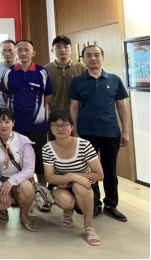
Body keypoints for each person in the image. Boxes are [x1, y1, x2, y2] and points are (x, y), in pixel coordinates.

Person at [69, 45, 130, 222]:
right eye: (89, 55)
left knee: (110, 170)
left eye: (96, 55)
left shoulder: (114, 79)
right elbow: (74, 107)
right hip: (86, 133)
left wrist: (125, 131)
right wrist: (75, 131)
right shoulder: (77, 81)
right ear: (83, 59)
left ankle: (111, 204)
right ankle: (94, 203)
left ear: (102, 58)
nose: (93, 58)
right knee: (89, 170)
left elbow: (122, 107)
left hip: (110, 132)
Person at [43, 110, 104, 246]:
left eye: (64, 124)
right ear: (51, 128)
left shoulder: (84, 145)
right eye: (55, 125)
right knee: (65, 201)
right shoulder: (47, 148)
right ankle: (67, 213)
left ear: (71, 127)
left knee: (80, 186)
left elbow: (99, 175)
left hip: (83, 184)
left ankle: (89, 227)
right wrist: (71, 177)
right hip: (60, 184)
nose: (60, 128)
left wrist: (73, 179)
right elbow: (50, 178)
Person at [0, 40, 53, 189]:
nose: (23, 53)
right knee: (16, 162)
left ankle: (42, 192)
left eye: (26, 50)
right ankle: (22, 192)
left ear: (33, 53)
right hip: (15, 127)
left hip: (37, 127)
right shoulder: (8, 72)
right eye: (20, 50)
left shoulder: (42, 72)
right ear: (15, 53)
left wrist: (36, 110)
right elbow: (6, 96)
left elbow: (48, 96)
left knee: (40, 163)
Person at [0, 108, 37, 231]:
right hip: (0, 179)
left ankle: (24, 215)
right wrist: (0, 186)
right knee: (2, 203)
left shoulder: (23, 141)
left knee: (28, 188)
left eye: (7, 122)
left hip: (19, 179)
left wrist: (11, 182)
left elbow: (29, 169)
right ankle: (2, 209)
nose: (3, 125)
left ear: (13, 123)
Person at [45, 36, 87, 114]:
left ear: (71, 49)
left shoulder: (81, 67)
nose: (62, 50)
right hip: (55, 115)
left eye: (66, 46)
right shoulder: (46, 70)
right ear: (52, 50)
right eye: (58, 47)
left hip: (78, 114)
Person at [0, 40, 16, 110]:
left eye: (10, 50)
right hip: (0, 108)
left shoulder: (22, 69)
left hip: (18, 107)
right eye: (3, 51)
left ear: (15, 51)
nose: (7, 54)